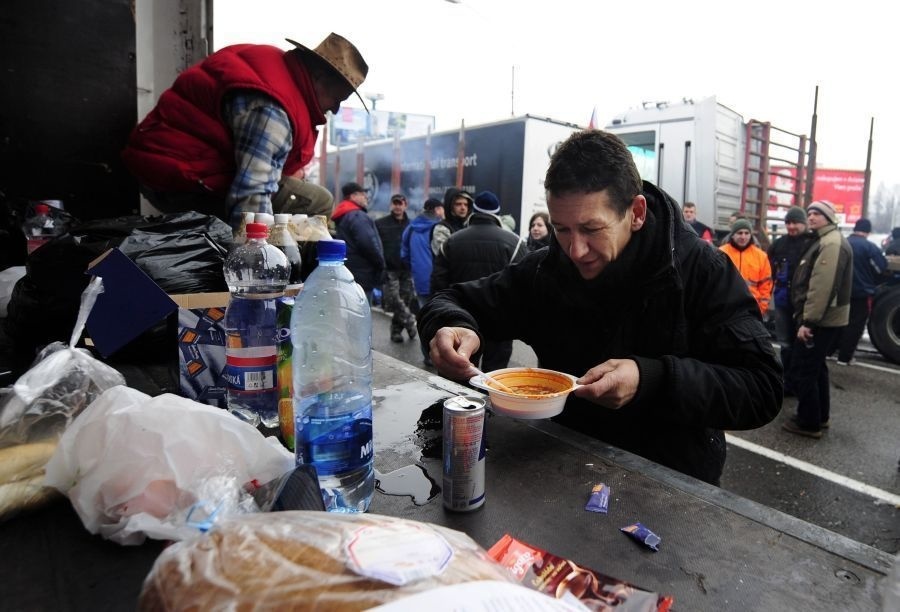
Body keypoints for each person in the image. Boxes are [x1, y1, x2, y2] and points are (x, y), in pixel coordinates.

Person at [418, 130, 782, 485]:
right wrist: (452, 325)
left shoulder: (701, 271)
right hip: (560, 469)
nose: (575, 250)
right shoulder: (545, 270)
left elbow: (762, 387)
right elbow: (451, 300)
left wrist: (652, 379)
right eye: (562, 229)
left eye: (592, 229)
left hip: (670, 488)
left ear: (636, 212)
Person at [121, 33, 368, 233]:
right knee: (317, 203)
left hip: (169, 162)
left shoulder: (273, 71)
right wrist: (260, 261)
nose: (335, 109)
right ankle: (283, 274)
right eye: (338, 98)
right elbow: (252, 194)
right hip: (179, 179)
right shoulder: (273, 109)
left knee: (302, 203)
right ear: (319, 77)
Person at [430, 190, 526, 372]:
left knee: (460, 374)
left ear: (474, 211)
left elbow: (438, 283)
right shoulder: (516, 243)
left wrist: (446, 318)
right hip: (500, 322)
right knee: (494, 378)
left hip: (460, 320)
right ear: (497, 214)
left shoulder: (451, 241)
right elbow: (522, 288)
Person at [782, 201, 852, 439]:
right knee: (818, 368)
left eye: (817, 214)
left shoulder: (831, 243)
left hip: (820, 321)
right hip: (824, 319)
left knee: (805, 370)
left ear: (829, 218)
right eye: (809, 213)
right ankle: (820, 416)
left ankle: (808, 421)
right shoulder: (825, 239)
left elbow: (822, 287)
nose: (811, 217)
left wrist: (808, 322)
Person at [767, 206, 814, 392]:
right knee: (785, 344)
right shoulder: (778, 244)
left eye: (796, 222)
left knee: (801, 344)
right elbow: (768, 270)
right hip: (782, 301)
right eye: (788, 223)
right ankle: (787, 380)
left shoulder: (811, 244)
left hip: (802, 304)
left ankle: (799, 381)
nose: (792, 226)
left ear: (804, 223)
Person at [831, 218, 887, 365]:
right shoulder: (870, 248)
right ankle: (845, 357)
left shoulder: (840, 243)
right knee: (854, 325)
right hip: (860, 292)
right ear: (868, 231)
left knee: (835, 321)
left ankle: (829, 351)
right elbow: (880, 269)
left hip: (838, 291)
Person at [401, 197, 445, 366]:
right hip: (439, 280)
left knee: (425, 318)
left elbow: (404, 254)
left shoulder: (411, 228)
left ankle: (428, 356)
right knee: (443, 318)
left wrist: (415, 269)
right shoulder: (439, 227)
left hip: (420, 280)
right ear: (436, 210)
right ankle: (442, 355)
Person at [332, 182, 385, 303]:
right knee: (362, 312)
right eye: (363, 194)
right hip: (362, 275)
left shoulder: (344, 214)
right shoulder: (357, 216)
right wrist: (380, 264)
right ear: (353, 196)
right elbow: (367, 243)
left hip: (350, 271)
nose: (366, 197)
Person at [375, 193, 417, 343]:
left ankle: (396, 331)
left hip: (407, 268)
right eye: (395, 203)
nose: (398, 206)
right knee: (394, 300)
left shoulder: (412, 224)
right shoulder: (380, 223)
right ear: (391, 205)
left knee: (405, 301)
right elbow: (376, 246)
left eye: (401, 203)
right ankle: (410, 322)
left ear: (406, 205)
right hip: (389, 268)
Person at [719, 218, 773, 317]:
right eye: (739, 233)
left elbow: (765, 286)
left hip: (751, 308)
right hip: (725, 308)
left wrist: (761, 309)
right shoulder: (721, 253)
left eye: (746, 233)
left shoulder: (761, 256)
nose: (743, 237)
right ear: (733, 235)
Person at [431, 188, 473, 256]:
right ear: (450, 206)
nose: (463, 208)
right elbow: (445, 254)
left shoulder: (469, 226)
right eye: (458, 204)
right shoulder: (441, 228)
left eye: (466, 204)